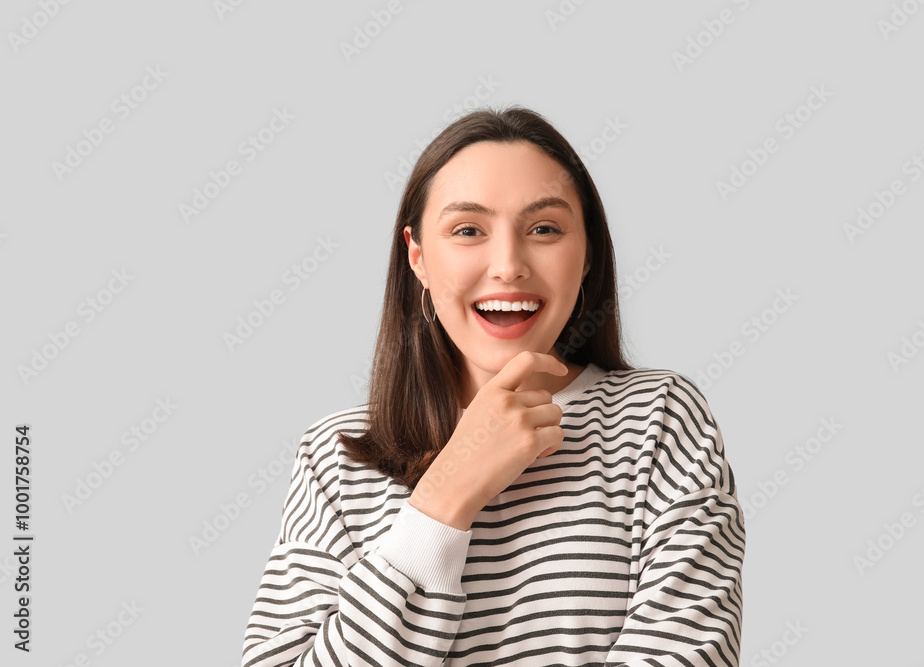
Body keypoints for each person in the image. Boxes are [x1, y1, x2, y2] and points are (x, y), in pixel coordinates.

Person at [241, 106, 746, 666]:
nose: (508, 265)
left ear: (586, 256)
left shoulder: (660, 419)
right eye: (467, 231)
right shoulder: (334, 457)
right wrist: (444, 497)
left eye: (545, 229)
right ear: (417, 257)